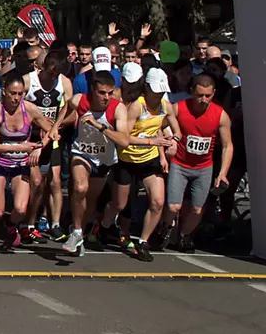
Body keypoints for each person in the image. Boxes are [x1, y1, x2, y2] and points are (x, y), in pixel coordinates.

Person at [99, 67, 179, 262]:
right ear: (147, 88)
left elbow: (176, 130)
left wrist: (173, 141)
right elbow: (124, 138)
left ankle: (143, 241)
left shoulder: (166, 106)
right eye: (156, 91)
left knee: (158, 202)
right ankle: (103, 226)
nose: (159, 95)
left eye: (162, 91)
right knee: (119, 204)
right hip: (127, 159)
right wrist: (152, 141)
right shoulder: (137, 106)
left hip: (149, 160)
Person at [0, 71, 57, 253]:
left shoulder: (30, 109)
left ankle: (11, 225)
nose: (16, 98)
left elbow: (52, 131)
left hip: (20, 165)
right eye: (12, 93)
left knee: (20, 209)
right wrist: (21, 147)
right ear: (4, 92)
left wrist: (39, 147)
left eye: (20, 94)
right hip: (0, 163)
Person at [162, 74, 233, 253]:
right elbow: (160, 126)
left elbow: (227, 146)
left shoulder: (220, 115)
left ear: (214, 93)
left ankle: (184, 236)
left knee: (197, 209)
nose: (203, 100)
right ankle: (166, 229)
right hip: (179, 163)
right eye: (200, 95)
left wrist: (223, 173)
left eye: (208, 96)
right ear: (192, 91)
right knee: (173, 206)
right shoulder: (179, 108)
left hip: (204, 167)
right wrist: (169, 141)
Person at [56, 72, 122, 257]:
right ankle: (76, 231)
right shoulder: (80, 100)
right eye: (102, 93)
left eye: (110, 93)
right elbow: (67, 107)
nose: (106, 97)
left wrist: (99, 126)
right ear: (93, 90)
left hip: (103, 159)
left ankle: (79, 234)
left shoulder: (118, 109)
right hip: (82, 153)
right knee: (80, 188)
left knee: (90, 201)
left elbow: (124, 141)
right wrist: (55, 127)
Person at [25, 51, 73, 242]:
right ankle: (28, 223)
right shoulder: (28, 81)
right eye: (51, 73)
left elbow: (72, 112)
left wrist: (55, 126)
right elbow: (17, 110)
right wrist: (38, 124)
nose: (53, 77)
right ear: (43, 66)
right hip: (31, 137)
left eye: (56, 74)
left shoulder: (64, 83)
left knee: (55, 182)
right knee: (36, 182)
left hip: (52, 136)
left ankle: (55, 224)